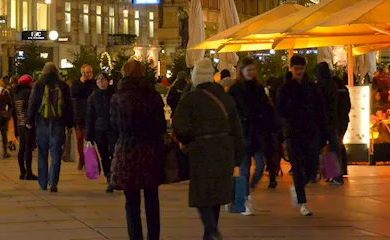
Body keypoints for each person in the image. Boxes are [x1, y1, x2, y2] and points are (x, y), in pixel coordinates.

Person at [173, 59, 243, 240]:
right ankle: (210, 233)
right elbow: (236, 128)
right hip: (224, 148)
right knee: (216, 193)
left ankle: (211, 229)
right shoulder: (224, 97)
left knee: (202, 193)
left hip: (201, 149)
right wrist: (238, 154)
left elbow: (179, 126)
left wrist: (188, 142)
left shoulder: (190, 98)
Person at [112, 60, 165, 240]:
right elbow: (161, 125)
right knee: (152, 199)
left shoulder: (119, 97)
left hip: (128, 150)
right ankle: (153, 237)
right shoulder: (153, 95)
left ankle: (135, 237)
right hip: (150, 150)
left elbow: (114, 125)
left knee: (131, 200)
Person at [275, 54, 328, 217]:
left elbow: (321, 108)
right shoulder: (285, 88)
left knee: (312, 167)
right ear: (290, 69)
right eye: (296, 68)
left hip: (311, 131)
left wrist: (322, 129)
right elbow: (280, 111)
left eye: (301, 68)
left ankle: (299, 189)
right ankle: (303, 202)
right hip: (293, 133)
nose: (298, 71)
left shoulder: (311, 86)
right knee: (298, 167)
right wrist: (283, 134)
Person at [229, 58, 275, 214]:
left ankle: (245, 192)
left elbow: (266, 108)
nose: (251, 73)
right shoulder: (235, 89)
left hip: (257, 133)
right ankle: (244, 200)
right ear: (241, 71)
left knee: (260, 166)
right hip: (242, 134)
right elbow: (231, 111)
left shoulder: (258, 88)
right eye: (248, 70)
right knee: (244, 170)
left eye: (253, 70)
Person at [26, 62, 73, 192]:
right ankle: (53, 183)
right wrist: (69, 124)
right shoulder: (63, 86)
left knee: (42, 153)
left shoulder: (39, 85)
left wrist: (29, 121)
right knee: (56, 154)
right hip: (58, 123)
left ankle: (43, 182)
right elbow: (69, 106)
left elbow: (33, 103)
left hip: (42, 122)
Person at [314, 61, 351, 185]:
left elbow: (319, 106)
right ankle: (337, 174)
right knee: (335, 146)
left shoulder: (321, 86)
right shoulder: (338, 86)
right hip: (338, 121)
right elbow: (346, 105)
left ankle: (322, 173)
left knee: (323, 147)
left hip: (324, 122)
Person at [86, 71, 116, 191]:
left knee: (113, 153)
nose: (100, 82)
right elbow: (90, 116)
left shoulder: (114, 95)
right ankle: (108, 176)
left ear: (108, 81)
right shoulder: (93, 97)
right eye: (98, 80)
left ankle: (114, 175)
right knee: (104, 155)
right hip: (99, 130)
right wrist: (88, 136)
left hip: (113, 129)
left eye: (103, 79)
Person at [72, 64, 96, 171]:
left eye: (90, 72)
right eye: (86, 72)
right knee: (79, 138)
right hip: (80, 116)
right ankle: (82, 159)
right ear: (82, 73)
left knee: (90, 139)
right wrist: (82, 83)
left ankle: (89, 161)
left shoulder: (95, 84)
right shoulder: (77, 83)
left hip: (91, 115)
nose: (88, 74)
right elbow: (74, 93)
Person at [12, 75, 37, 180]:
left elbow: (14, 112)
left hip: (19, 124)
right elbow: (32, 108)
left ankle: (22, 172)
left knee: (21, 148)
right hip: (28, 124)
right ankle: (29, 172)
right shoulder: (29, 93)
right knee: (28, 149)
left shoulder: (16, 94)